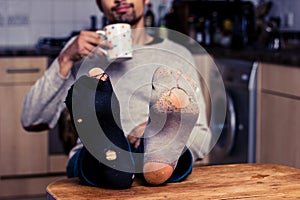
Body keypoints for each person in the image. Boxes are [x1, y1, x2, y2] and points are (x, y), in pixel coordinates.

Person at [21, 0, 210, 188]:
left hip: (153, 156)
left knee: (169, 150)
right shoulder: (82, 53)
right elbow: (31, 119)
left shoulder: (177, 53)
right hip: (92, 156)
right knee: (97, 157)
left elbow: (202, 135)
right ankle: (108, 143)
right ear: (98, 4)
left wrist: (153, 128)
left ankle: (156, 146)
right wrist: (65, 59)